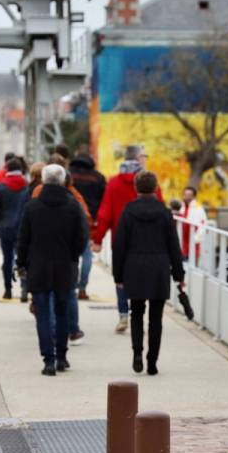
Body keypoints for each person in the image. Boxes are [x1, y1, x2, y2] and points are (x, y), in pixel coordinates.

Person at [16, 164, 88, 376]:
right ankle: (61, 356)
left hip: (38, 266)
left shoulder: (32, 207)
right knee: (62, 311)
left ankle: (48, 360)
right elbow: (82, 236)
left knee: (43, 315)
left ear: (44, 181)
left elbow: (23, 239)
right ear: (64, 180)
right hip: (65, 266)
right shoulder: (73, 206)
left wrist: (21, 262)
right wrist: (73, 255)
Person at [112, 170, 184, 375]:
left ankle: (137, 353)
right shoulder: (164, 212)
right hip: (159, 267)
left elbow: (119, 245)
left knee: (136, 312)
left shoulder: (128, 211)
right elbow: (173, 245)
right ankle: (152, 360)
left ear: (136, 187)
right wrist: (179, 274)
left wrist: (118, 275)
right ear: (156, 187)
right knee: (156, 317)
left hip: (134, 267)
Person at [92, 144, 162, 333]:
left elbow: (105, 213)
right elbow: (161, 210)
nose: (145, 159)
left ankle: (124, 314)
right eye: (143, 156)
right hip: (149, 241)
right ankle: (141, 313)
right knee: (145, 276)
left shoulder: (114, 183)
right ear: (138, 158)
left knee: (121, 277)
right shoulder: (152, 183)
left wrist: (98, 239)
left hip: (121, 240)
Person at [30, 158, 92, 344]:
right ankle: (72, 331)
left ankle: (52, 333)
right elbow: (83, 230)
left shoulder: (35, 198)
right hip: (65, 258)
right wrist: (75, 253)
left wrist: (25, 260)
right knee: (67, 295)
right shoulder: (73, 200)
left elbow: (26, 231)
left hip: (40, 257)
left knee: (46, 296)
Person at [70, 146, 106, 301]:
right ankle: (83, 288)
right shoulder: (98, 177)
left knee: (71, 254)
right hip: (90, 219)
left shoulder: (70, 175)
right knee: (86, 255)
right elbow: (104, 199)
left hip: (70, 218)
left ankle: (70, 286)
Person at [0, 158, 29, 300]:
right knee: (22, 258)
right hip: (22, 227)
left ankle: (8, 289)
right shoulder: (26, 186)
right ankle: (24, 287)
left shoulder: (1, 187)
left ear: (7, 170)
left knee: (7, 259)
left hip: (5, 227)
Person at [178, 186, 207, 261]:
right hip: (181, 242)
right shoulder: (180, 207)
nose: (186, 197)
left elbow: (203, 226)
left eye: (189, 195)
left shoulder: (199, 209)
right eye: (185, 194)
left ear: (193, 196)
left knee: (193, 266)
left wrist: (195, 239)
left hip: (193, 243)